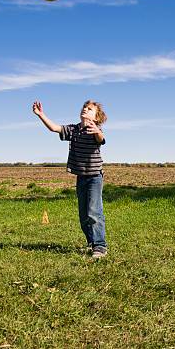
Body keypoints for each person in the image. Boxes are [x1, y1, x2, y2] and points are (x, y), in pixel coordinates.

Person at [32, 99, 108, 259]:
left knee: (94, 211)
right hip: (81, 176)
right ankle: (91, 242)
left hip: (95, 176)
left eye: (90, 109)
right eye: (84, 107)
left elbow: (101, 139)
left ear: (96, 117)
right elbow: (54, 128)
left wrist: (96, 131)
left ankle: (100, 246)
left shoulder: (95, 129)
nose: (85, 110)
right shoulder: (73, 130)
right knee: (83, 215)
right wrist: (41, 114)